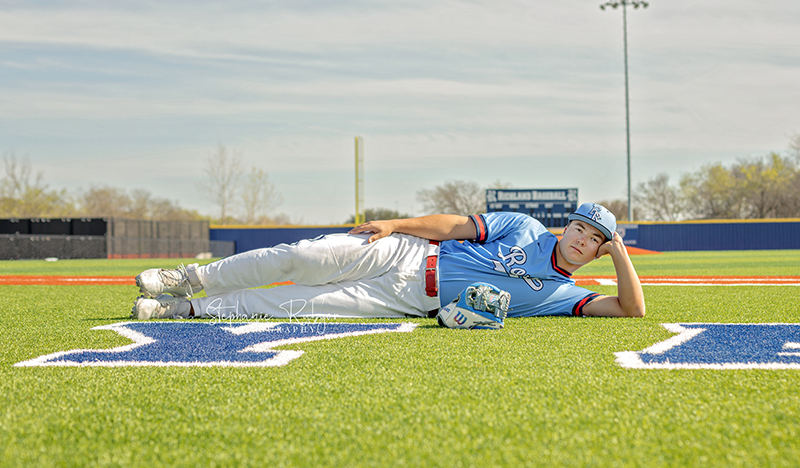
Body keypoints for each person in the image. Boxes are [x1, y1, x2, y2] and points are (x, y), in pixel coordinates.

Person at [130, 202, 644, 321]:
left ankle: (187, 312)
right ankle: (189, 278)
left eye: (595, 237)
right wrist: (397, 226)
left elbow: (631, 310)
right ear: (565, 226)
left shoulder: (566, 295)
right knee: (305, 255)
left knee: (296, 305)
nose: (581, 238)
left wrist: (620, 252)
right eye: (578, 226)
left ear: (601, 249)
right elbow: (454, 227)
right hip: (410, 252)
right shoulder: (527, 228)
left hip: (401, 299)